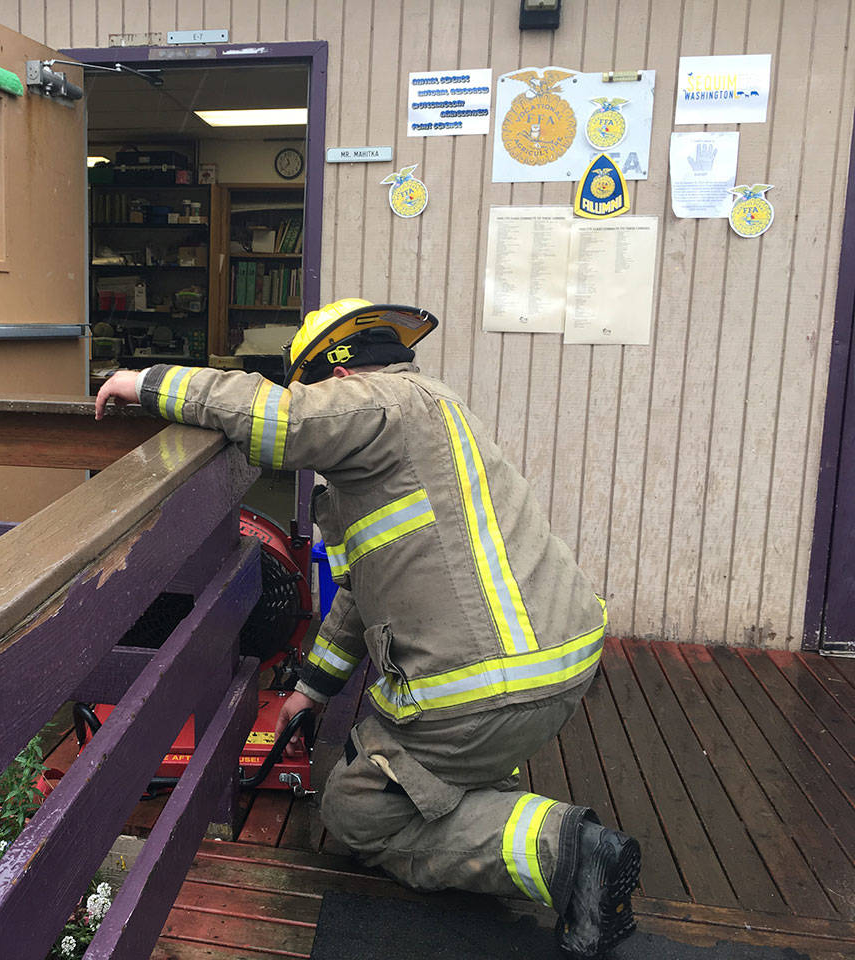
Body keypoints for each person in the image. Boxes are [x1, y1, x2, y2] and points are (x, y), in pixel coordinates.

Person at [95, 298, 641, 959]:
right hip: (558, 667)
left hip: (482, 689)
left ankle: (567, 850)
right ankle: (504, 812)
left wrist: (146, 383)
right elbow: (356, 592)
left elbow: (278, 418)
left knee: (355, 805)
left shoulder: (381, 402)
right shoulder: (425, 422)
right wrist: (312, 692)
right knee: (418, 766)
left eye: (314, 388)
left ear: (340, 378)